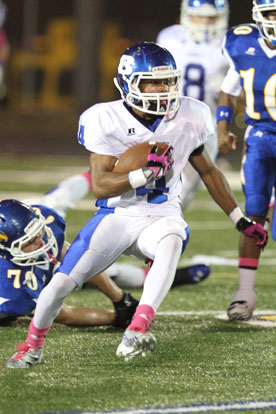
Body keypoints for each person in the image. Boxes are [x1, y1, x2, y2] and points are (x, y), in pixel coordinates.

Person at [6, 41, 267, 369]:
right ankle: (32, 344)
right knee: (60, 284)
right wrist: (143, 175)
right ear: (128, 82)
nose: (161, 90)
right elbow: (100, 184)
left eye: (166, 81)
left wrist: (240, 220)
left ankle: (137, 328)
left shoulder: (192, 113)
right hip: (116, 214)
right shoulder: (105, 117)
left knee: (173, 238)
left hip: (162, 215)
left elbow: (209, 172)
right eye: (151, 82)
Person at [216, 0, 276, 321]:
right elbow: (229, 89)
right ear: (258, 17)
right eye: (272, 14)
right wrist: (222, 128)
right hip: (261, 138)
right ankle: (244, 293)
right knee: (253, 214)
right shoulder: (242, 43)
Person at [0, 199, 138, 329]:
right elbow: (63, 314)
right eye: (29, 242)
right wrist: (117, 317)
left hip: (22, 262)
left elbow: (73, 257)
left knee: (76, 264)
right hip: (8, 302)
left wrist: (121, 299)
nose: (39, 241)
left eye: (39, 232)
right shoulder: (11, 285)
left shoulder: (33, 233)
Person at [156, 0, 229, 208]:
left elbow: (243, 89)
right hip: (168, 120)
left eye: (211, 18)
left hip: (207, 126)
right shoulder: (170, 38)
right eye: (199, 17)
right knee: (154, 181)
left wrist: (230, 86)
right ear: (187, 15)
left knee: (185, 191)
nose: (205, 23)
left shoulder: (229, 43)